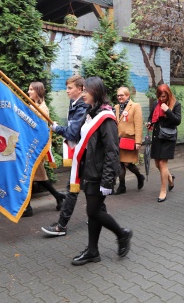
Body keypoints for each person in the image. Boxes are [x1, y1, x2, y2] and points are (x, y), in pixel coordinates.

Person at [69, 77, 132, 266]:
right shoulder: (92, 113)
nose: (83, 94)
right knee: (93, 212)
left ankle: (122, 234)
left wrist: (107, 180)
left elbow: (112, 151)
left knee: (93, 210)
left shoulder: (106, 118)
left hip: (99, 174)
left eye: (86, 91)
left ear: (95, 92)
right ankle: (93, 251)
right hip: (89, 171)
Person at [41, 75, 90, 236]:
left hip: (86, 154)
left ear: (80, 89)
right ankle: (98, 215)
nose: (66, 91)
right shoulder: (74, 103)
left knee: (73, 189)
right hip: (81, 153)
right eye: (67, 87)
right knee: (89, 189)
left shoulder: (83, 106)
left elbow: (72, 131)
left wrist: (57, 128)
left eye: (70, 88)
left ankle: (61, 226)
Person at [23, 81, 65, 217]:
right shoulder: (32, 105)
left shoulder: (42, 109)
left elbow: (39, 131)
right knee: (38, 177)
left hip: (35, 148)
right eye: (29, 89)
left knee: (29, 176)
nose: (28, 92)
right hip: (30, 146)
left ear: (38, 91)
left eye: (31, 90)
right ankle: (58, 197)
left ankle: (28, 208)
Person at [147, 84, 182, 202]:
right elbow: (150, 117)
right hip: (157, 136)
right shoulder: (156, 104)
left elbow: (177, 121)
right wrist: (149, 123)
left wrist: (167, 111)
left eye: (164, 96)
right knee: (157, 164)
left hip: (168, 137)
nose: (162, 99)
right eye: (160, 96)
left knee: (162, 163)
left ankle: (163, 190)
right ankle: (170, 178)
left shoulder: (175, 104)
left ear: (168, 94)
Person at [113, 86, 145, 194]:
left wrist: (138, 141)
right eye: (118, 95)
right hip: (118, 139)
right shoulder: (116, 107)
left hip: (129, 139)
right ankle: (122, 186)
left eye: (121, 95)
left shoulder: (135, 106)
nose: (119, 97)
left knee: (127, 163)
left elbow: (139, 125)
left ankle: (139, 176)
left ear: (128, 95)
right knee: (120, 163)